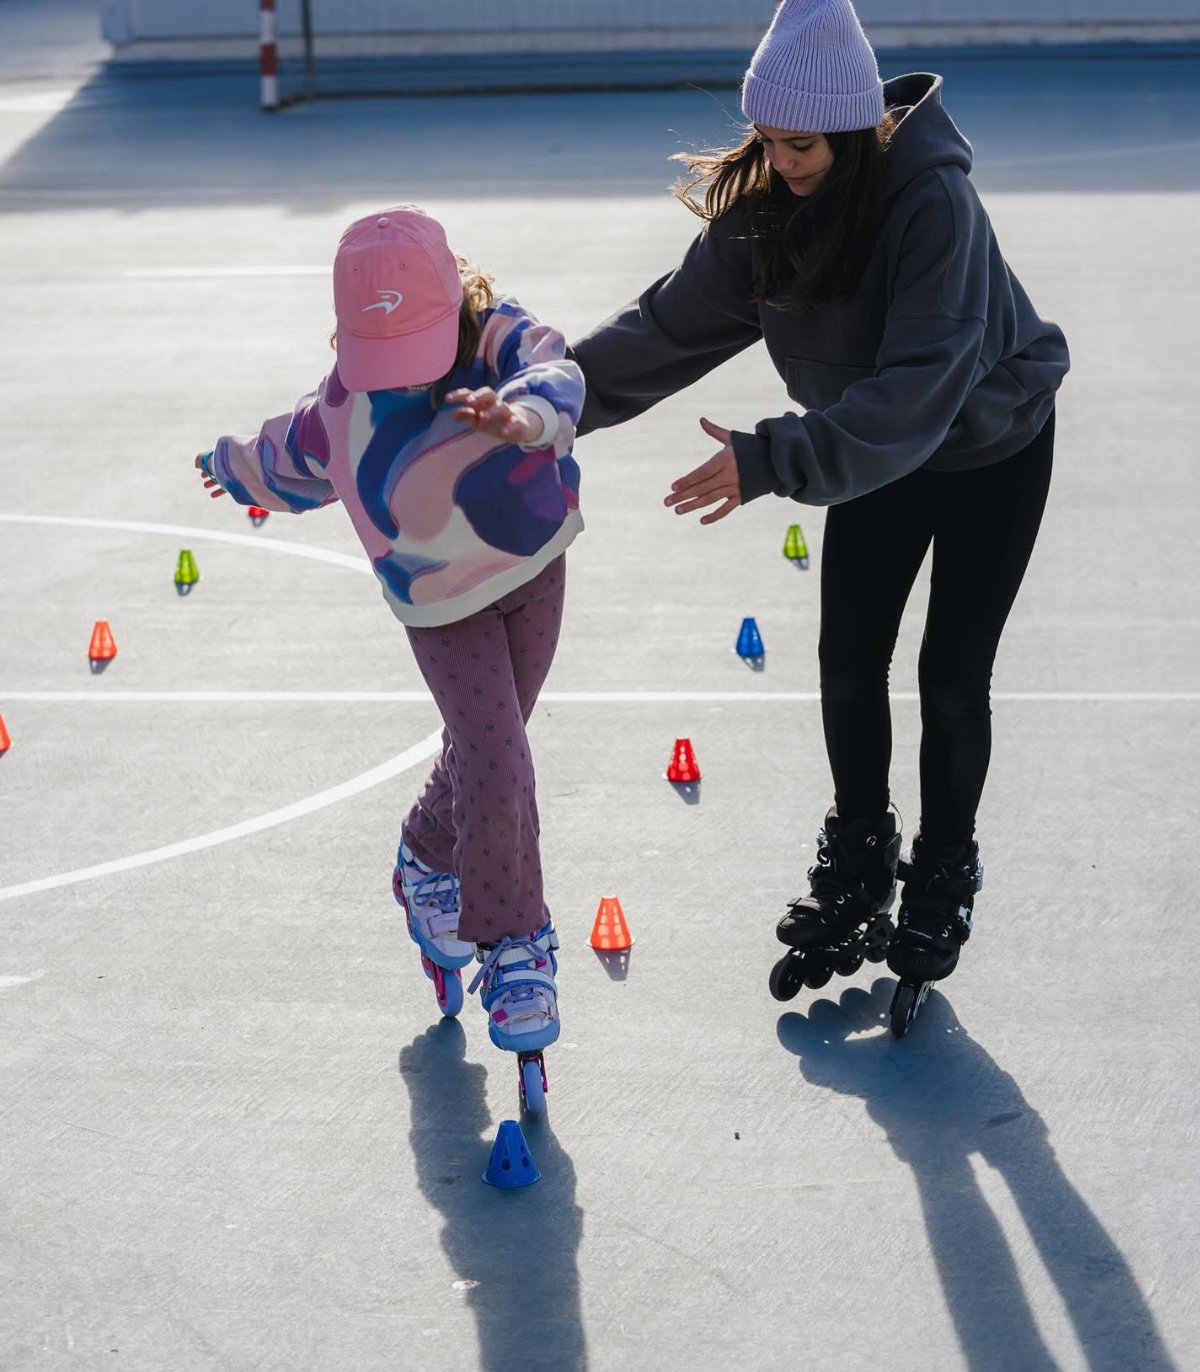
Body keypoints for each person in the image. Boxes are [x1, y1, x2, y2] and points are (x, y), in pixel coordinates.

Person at [570, 0, 1069, 1008]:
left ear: (851, 129)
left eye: (800, 144)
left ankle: (942, 874)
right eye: (767, 140)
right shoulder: (769, 209)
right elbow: (665, 331)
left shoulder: (935, 208)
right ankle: (858, 854)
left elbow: (922, 386)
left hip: (989, 446)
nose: (782, 160)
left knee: (951, 672)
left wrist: (773, 459)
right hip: (874, 452)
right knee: (847, 660)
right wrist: (550, 401)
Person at [195, 205, 584, 1093]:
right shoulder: (346, 399)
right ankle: (516, 942)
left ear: (455, 297)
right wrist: (228, 464)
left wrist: (523, 419)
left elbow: (556, 370)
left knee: (491, 745)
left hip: (533, 566)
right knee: (498, 757)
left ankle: (421, 855)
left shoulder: (496, 339)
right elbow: (286, 454)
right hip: (438, 605)